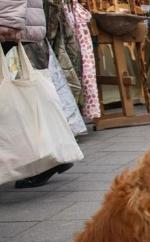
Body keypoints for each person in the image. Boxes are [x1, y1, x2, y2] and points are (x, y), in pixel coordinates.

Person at [1, 0, 75, 189]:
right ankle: (56, 152)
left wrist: (8, 21)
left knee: (22, 97)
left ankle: (50, 157)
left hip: (14, 28)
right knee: (29, 96)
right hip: (19, 26)